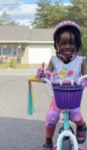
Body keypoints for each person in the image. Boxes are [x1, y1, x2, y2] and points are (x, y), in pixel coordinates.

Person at [36, 20, 87, 150]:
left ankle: (81, 125)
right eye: (63, 43)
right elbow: (48, 73)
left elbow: (85, 75)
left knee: (75, 115)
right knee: (52, 116)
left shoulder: (81, 61)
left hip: (74, 96)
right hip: (57, 96)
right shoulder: (54, 60)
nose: (67, 46)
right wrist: (43, 75)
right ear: (57, 45)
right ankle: (48, 140)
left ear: (78, 44)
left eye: (72, 43)